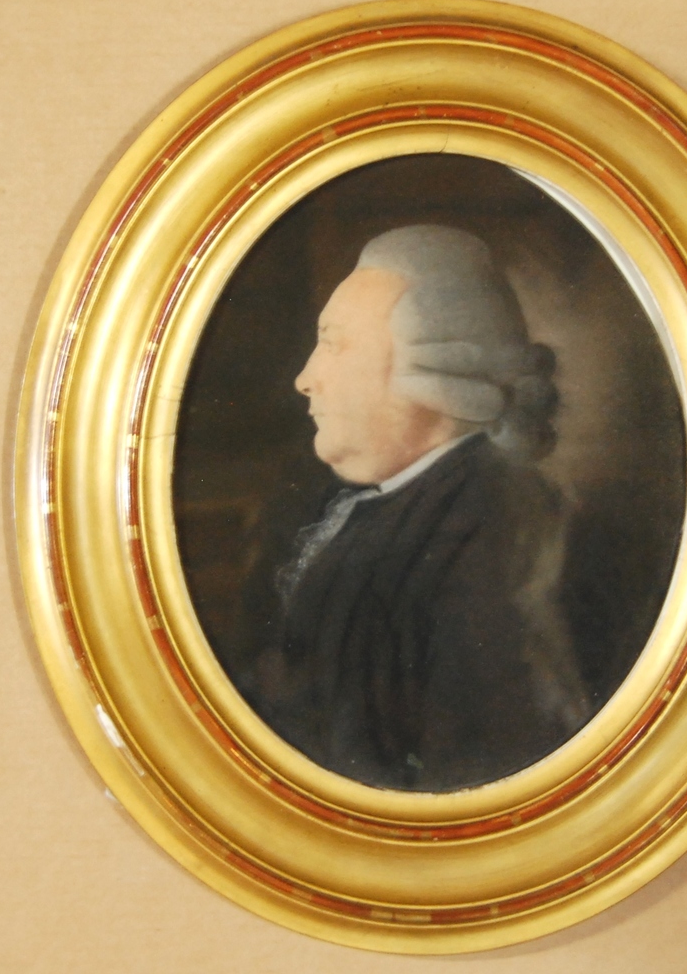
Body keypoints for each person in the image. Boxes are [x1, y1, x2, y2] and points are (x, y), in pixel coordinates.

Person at [241, 225, 592, 791]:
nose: (306, 379)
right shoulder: (402, 507)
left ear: (435, 372)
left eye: (334, 343)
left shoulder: (487, 535)